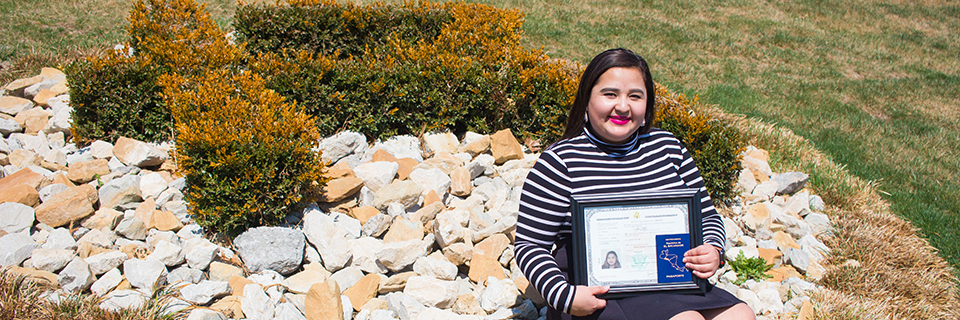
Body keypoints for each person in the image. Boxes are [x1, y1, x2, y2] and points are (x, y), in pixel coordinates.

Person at [514, 48, 755, 320]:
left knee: (741, 315)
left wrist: (713, 249)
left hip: (669, 281)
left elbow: (707, 216)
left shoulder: (669, 148)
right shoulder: (560, 162)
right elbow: (528, 245)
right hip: (598, 294)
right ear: (587, 98)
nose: (623, 106)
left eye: (635, 96)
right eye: (610, 94)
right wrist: (565, 296)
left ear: (647, 103)